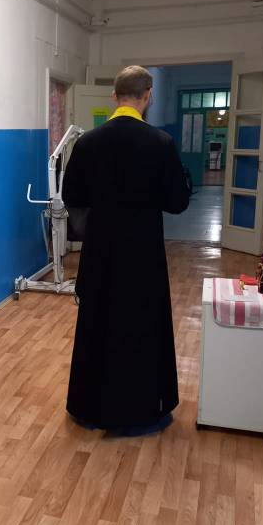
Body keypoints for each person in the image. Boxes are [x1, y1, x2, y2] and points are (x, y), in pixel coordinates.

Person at [63, 66, 190, 435]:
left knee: (96, 324)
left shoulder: (87, 143)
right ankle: (141, 410)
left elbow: (73, 198)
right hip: (142, 255)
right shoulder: (161, 143)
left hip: (100, 252)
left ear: (114, 96)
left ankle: (90, 408)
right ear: (147, 96)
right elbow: (177, 202)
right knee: (141, 327)